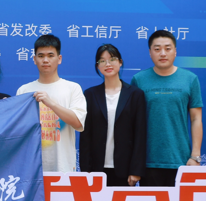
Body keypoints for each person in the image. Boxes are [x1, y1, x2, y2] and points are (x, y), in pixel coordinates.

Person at [130, 29, 203, 187]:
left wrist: (195, 156)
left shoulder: (190, 79)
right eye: (157, 49)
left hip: (181, 160)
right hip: (148, 161)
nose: (162, 53)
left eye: (167, 48)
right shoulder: (139, 80)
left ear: (175, 51)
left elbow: (196, 119)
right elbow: (132, 123)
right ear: (150, 52)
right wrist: (135, 163)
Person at [79, 44, 147, 187]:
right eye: (102, 61)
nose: (108, 64)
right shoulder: (90, 95)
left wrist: (136, 170)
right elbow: (86, 135)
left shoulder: (135, 94)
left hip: (125, 169)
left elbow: (140, 135)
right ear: (97, 66)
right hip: (96, 169)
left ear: (120, 62)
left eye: (112, 59)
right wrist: (85, 169)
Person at [16, 34, 86, 172]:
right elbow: (18, 129)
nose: (45, 60)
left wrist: (51, 104)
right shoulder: (24, 90)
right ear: (34, 59)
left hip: (63, 167)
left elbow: (78, 123)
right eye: (41, 56)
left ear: (59, 59)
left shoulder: (72, 88)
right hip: (31, 168)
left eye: (50, 55)